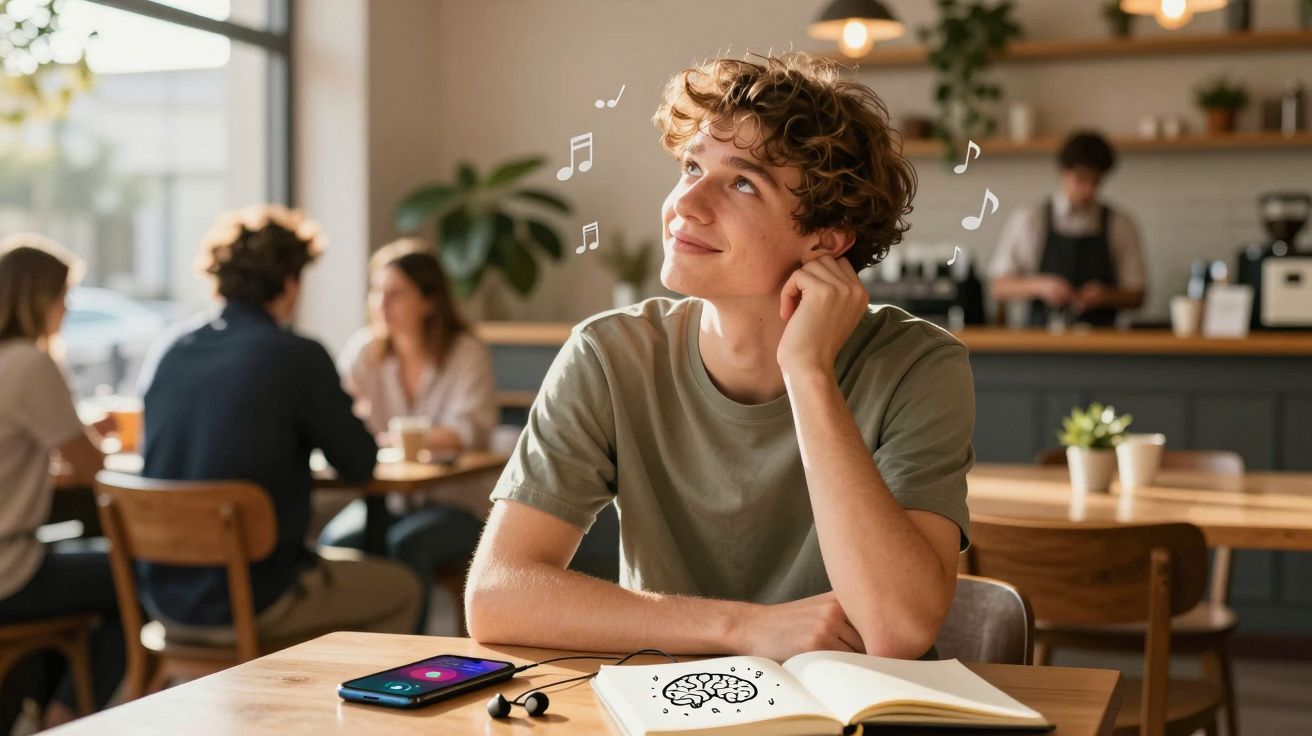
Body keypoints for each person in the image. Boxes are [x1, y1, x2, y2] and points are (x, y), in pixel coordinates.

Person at [464, 53, 972, 662]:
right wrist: (744, 629)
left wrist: (808, 372)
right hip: (665, 709)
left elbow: (897, 630)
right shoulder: (610, 355)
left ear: (827, 239)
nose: (687, 202)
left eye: (741, 183)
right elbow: (496, 596)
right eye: (690, 166)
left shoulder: (918, 365)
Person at [136, 205, 421, 644]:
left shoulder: (169, 350)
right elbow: (360, 463)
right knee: (403, 589)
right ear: (290, 284)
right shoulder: (296, 356)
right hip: (255, 600)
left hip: (162, 601)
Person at [319, 238, 498, 632]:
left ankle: (406, 659)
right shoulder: (365, 352)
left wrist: (394, 440)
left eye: (396, 293)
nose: (381, 303)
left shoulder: (463, 352)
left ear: (429, 301)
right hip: (388, 501)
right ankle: (350, 655)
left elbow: (467, 430)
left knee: (406, 544)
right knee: (335, 543)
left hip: (457, 502)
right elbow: (339, 419)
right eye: (377, 291)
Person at [0, 234, 124, 730]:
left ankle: (43, 704)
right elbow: (91, 465)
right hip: (11, 569)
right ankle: (65, 715)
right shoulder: (29, 363)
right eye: (63, 296)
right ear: (41, 300)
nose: (68, 308)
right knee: (143, 576)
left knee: (84, 557)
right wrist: (107, 442)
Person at [989, 131, 1147, 326]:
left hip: (1103, 344)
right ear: (1063, 172)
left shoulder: (1121, 224)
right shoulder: (1030, 219)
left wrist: (1106, 295)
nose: (1089, 189)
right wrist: (1041, 286)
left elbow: (1138, 295)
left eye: (1096, 181)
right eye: (1081, 179)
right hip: (1041, 342)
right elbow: (998, 287)